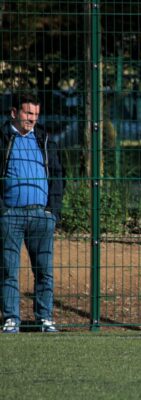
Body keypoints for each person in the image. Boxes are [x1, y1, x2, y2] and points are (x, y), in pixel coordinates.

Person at [1, 93, 65, 333]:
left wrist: (52, 212)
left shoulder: (44, 139)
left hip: (42, 216)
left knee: (44, 271)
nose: (32, 119)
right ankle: (11, 319)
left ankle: (44, 318)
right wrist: (3, 211)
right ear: (14, 113)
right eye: (28, 114)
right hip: (10, 216)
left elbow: (58, 175)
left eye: (36, 115)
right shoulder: (3, 138)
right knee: (8, 270)